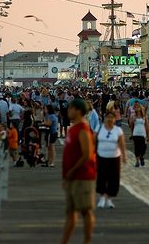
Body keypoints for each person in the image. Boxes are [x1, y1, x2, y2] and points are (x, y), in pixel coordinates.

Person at [61, 99, 96, 244]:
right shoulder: (73, 129)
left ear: (77, 110)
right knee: (71, 212)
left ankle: (87, 240)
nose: (68, 111)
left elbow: (87, 154)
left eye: (70, 108)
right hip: (72, 177)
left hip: (83, 176)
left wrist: (72, 170)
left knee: (85, 210)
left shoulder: (83, 129)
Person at [96, 112, 127, 209]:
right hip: (101, 156)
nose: (109, 119)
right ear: (105, 118)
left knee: (113, 178)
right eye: (107, 117)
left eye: (111, 117)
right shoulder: (99, 128)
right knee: (102, 177)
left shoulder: (118, 130)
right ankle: (102, 198)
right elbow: (93, 141)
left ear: (114, 119)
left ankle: (109, 199)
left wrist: (124, 156)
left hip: (114, 157)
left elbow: (122, 144)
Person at [132, 103, 149, 167]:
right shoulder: (134, 116)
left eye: (138, 107)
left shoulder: (144, 116)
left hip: (143, 134)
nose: (137, 108)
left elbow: (147, 126)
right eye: (136, 107)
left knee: (143, 147)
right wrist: (132, 119)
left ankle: (141, 156)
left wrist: (148, 135)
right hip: (136, 133)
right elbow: (131, 125)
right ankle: (137, 161)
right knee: (136, 148)